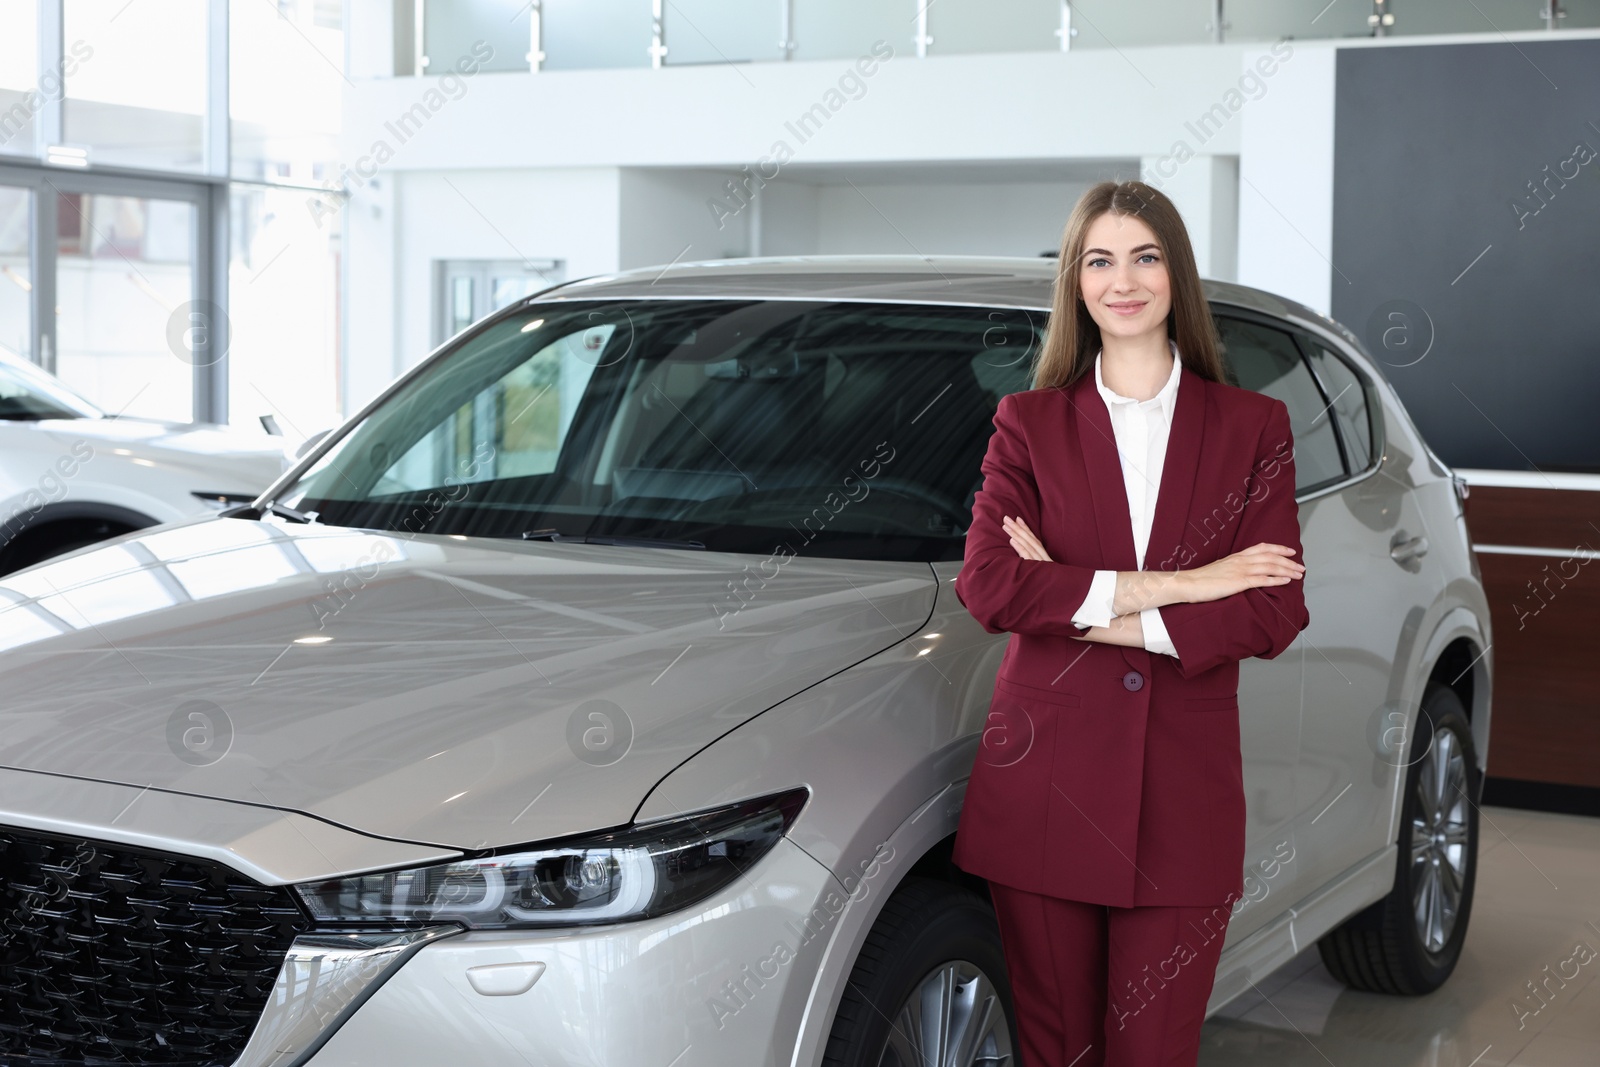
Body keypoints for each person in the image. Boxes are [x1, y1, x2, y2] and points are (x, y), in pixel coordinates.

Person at [950, 180, 1310, 1066]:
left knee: (1153, 1053)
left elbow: (1272, 607)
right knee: (1054, 1050)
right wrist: (1190, 584)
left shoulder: (1253, 427)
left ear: (1175, 273)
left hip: (1182, 802)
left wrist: (1072, 597)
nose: (1124, 280)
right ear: (1075, 282)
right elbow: (991, 587)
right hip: (1043, 790)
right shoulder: (1028, 424)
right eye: (1099, 260)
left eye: (1145, 256)